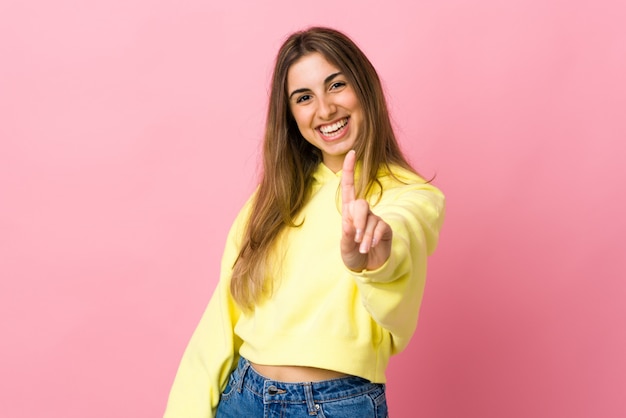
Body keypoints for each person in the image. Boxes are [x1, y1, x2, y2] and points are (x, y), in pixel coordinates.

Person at [163, 27, 445, 418]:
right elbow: (223, 314)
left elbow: (400, 233)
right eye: (304, 97)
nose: (325, 109)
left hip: (335, 405)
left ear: (365, 87)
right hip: (241, 396)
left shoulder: (411, 197)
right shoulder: (272, 201)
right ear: (291, 114)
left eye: (337, 85)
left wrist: (376, 256)